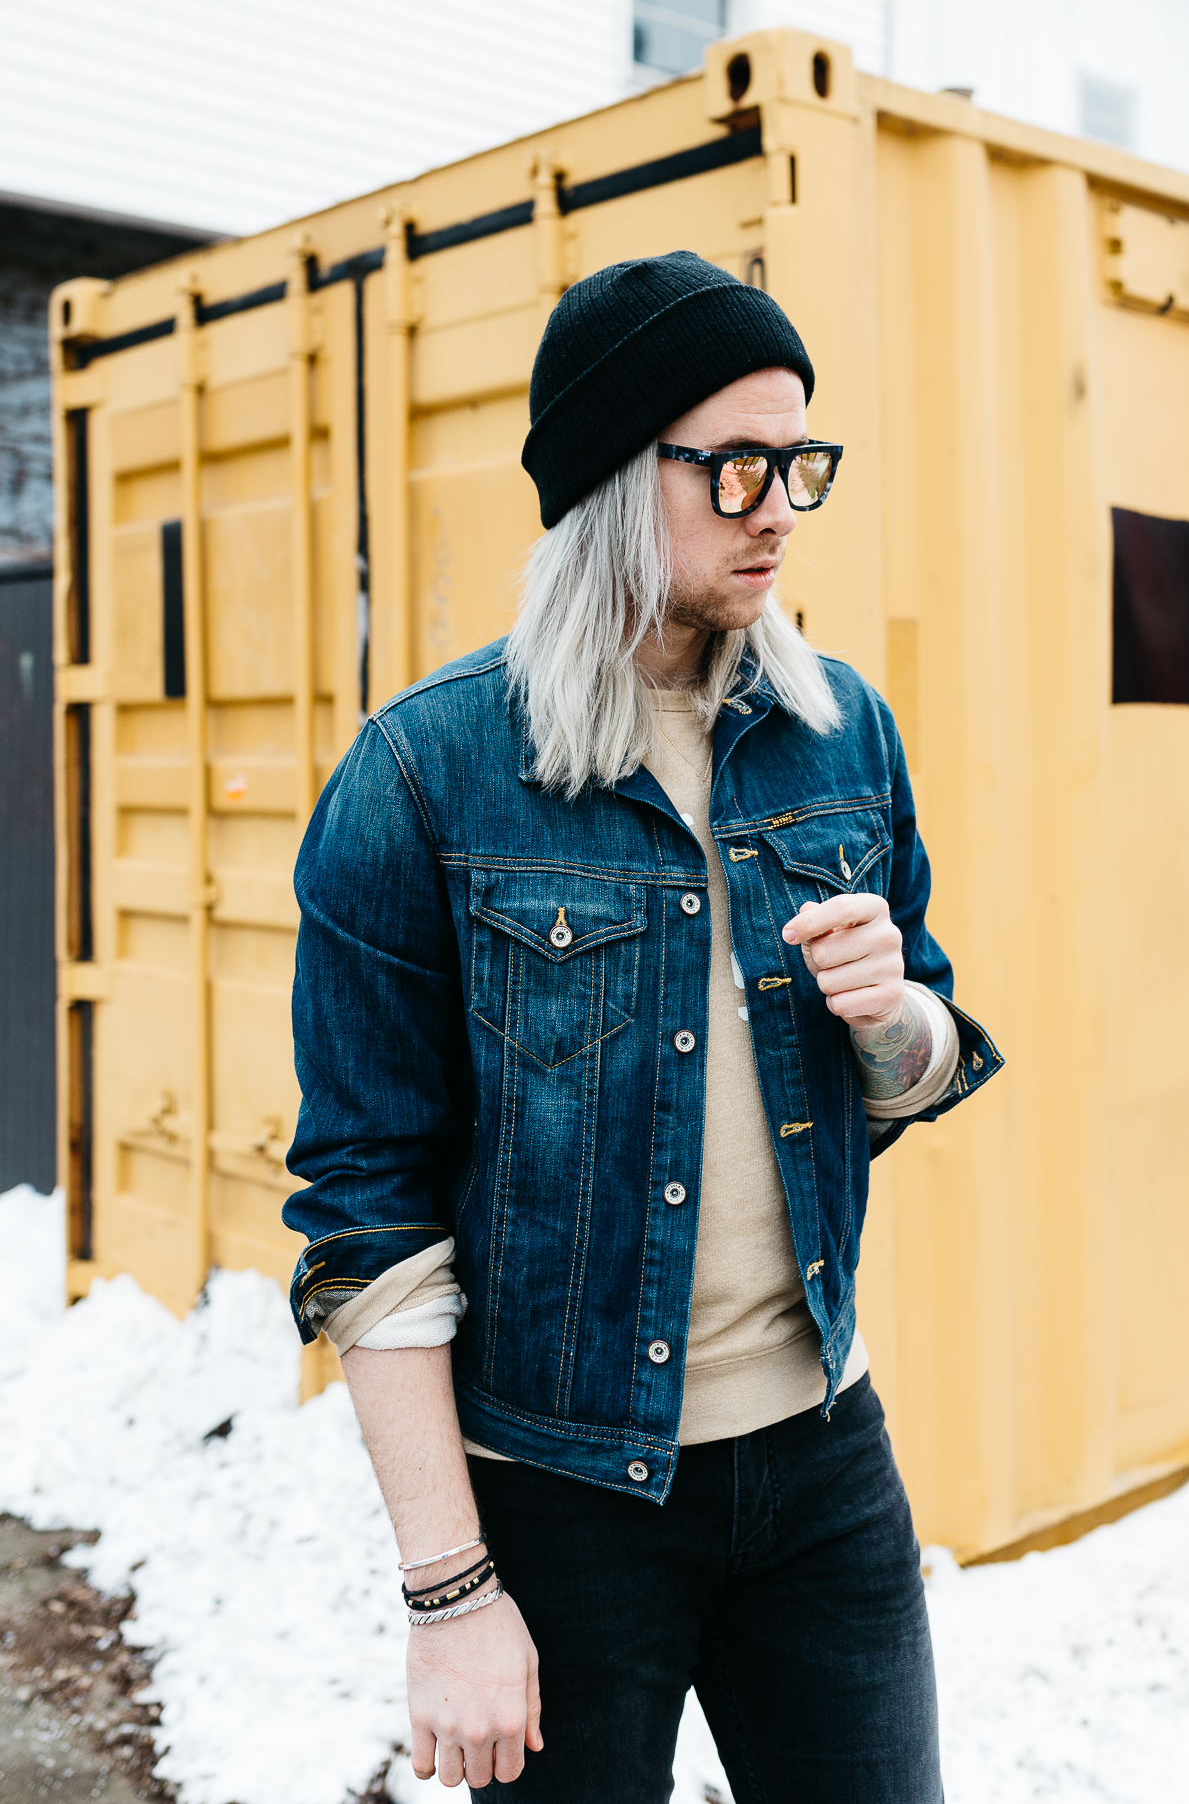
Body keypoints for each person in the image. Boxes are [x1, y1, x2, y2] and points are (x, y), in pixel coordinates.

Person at [284, 250, 1001, 1802]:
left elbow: (922, 1060)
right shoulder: (427, 777)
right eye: (735, 462)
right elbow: (367, 1218)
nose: (779, 507)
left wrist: (895, 1019)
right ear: (617, 476)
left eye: (798, 460)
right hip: (560, 1504)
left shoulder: (838, 732)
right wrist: (450, 1594)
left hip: (821, 1461)